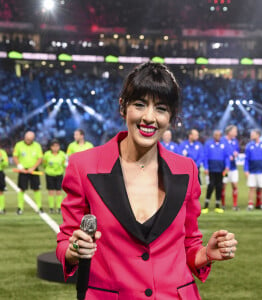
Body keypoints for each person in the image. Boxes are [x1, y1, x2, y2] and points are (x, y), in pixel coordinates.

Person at [56, 62, 237, 300]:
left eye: (160, 108)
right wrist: (73, 250)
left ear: (171, 117)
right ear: (123, 107)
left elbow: (189, 245)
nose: (149, 118)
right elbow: (65, 241)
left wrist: (206, 253)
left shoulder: (187, 170)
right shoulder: (84, 166)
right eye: (140, 105)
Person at [13, 131, 43, 214]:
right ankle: (20, 208)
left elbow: (40, 158)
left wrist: (33, 168)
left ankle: (39, 207)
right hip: (23, 170)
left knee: (36, 188)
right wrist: (20, 166)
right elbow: (15, 156)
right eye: (27, 139)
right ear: (24, 137)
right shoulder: (19, 145)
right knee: (22, 188)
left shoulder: (37, 146)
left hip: (34, 170)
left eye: (30, 139)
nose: (28, 140)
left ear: (33, 139)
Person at [202, 130, 230, 214]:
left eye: (218, 135)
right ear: (213, 136)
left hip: (221, 170)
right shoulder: (208, 144)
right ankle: (206, 206)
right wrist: (206, 167)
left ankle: (217, 206)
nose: (217, 136)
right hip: (211, 169)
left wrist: (227, 167)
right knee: (210, 186)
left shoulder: (224, 144)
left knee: (219, 186)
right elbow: (205, 156)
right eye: (215, 135)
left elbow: (227, 157)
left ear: (220, 136)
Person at [244, 129, 262, 211]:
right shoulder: (249, 145)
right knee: (251, 188)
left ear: (258, 135)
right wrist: (246, 169)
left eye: (253, 134)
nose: (251, 135)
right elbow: (246, 159)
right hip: (252, 170)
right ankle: (250, 204)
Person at [43, 139, 66, 214]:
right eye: (54, 146)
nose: (55, 148)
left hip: (59, 174)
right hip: (49, 174)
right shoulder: (47, 154)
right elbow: (44, 164)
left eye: (57, 146)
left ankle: (59, 207)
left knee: (59, 191)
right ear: (51, 147)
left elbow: (64, 164)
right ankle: (51, 207)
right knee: (51, 191)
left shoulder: (62, 154)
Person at [220, 125, 240, 211]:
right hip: (224, 168)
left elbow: (237, 151)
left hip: (233, 167)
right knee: (223, 186)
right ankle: (223, 204)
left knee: (235, 185)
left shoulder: (235, 141)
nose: (236, 133)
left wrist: (236, 154)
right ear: (229, 132)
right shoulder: (222, 141)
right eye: (235, 131)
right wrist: (228, 156)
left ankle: (235, 205)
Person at [0, 146, 9, 214]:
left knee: (1, 191)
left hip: (0, 172)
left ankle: (1, 208)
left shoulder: (2, 152)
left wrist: (1, 159)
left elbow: (6, 164)